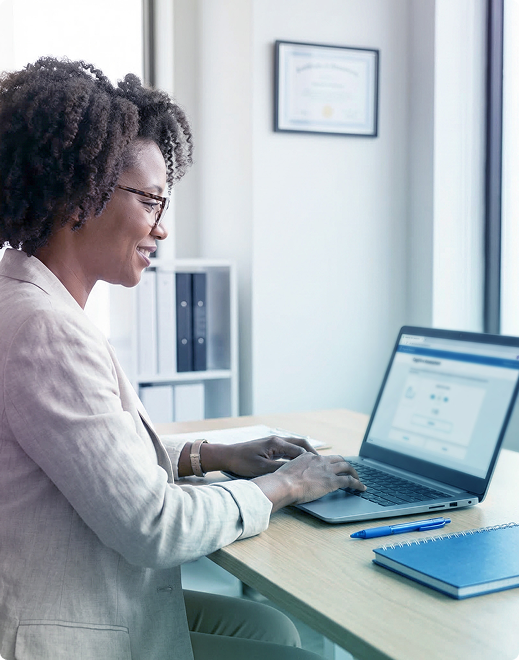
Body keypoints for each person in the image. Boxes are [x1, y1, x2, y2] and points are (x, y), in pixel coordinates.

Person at [0, 57, 365, 660]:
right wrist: (288, 484)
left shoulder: (28, 300)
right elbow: (154, 525)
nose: (162, 229)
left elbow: (89, 454)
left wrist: (208, 454)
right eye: (151, 202)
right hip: (59, 627)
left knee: (269, 630)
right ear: (78, 196)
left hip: (73, 589)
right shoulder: (45, 331)